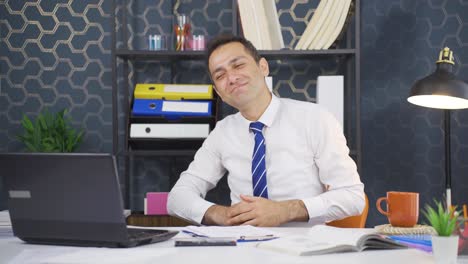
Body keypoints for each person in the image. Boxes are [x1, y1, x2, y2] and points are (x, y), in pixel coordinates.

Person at [167, 34, 364, 227]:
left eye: (238, 65)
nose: (232, 78)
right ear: (219, 92)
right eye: (220, 75)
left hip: (305, 248)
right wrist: (220, 214)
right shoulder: (222, 132)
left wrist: (286, 210)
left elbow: (353, 197)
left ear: (263, 67)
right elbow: (177, 198)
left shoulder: (316, 118)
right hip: (244, 247)